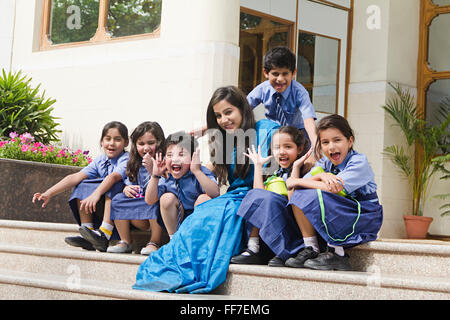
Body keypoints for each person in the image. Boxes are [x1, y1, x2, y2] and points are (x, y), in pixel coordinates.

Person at [133, 86, 279, 294]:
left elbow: (284, 151)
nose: (223, 119)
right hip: (233, 195)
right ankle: (181, 256)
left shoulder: (265, 129)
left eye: (228, 112)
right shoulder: (224, 139)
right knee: (203, 210)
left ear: (242, 109)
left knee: (216, 210)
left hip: (257, 190)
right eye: (218, 116)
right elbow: (211, 168)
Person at [285, 114, 383, 271]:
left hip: (364, 216)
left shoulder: (358, 162)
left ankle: (337, 254)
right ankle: (311, 248)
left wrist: (297, 181)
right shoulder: (325, 163)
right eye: (325, 142)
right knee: (300, 194)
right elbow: (293, 189)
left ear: (350, 141)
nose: (331, 147)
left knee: (322, 193)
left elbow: (334, 188)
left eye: (337, 140)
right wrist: (306, 171)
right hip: (344, 212)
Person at [32, 121, 129, 251]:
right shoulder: (100, 160)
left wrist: (96, 194)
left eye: (117, 139)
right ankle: (88, 232)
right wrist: (49, 192)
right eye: (108, 139)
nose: (111, 143)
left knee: (113, 183)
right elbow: (75, 177)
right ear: (101, 141)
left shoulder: (126, 158)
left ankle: (104, 234)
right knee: (82, 184)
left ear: (126, 143)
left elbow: (113, 177)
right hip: (104, 206)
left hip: (123, 209)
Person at [230, 126, 313, 266]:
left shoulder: (307, 169)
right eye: (276, 148)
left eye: (288, 146)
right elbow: (258, 195)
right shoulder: (276, 173)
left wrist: (297, 169)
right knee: (256, 196)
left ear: (299, 149)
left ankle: (288, 251)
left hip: (296, 226)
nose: (281, 152)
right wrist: (258, 166)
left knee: (267, 199)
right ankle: (253, 248)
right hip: (275, 222)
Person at [144, 131, 220, 239]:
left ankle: (199, 239)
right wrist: (155, 175)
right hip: (176, 219)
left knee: (204, 199)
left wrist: (196, 171)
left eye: (181, 154)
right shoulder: (166, 176)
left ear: (194, 156)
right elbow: (149, 200)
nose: (175, 159)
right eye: (170, 155)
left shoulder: (201, 171)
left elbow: (215, 193)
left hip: (199, 221)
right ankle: (174, 239)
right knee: (166, 198)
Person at [106, 121, 166, 255]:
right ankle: (125, 241)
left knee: (154, 200)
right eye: (141, 144)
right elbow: (130, 182)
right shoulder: (134, 162)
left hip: (156, 205)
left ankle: (154, 241)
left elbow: (165, 184)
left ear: (159, 142)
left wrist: (152, 169)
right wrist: (126, 189)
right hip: (139, 208)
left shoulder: (164, 160)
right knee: (117, 199)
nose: (146, 148)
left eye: (151, 143)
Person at [247, 46, 318, 152]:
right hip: (274, 133)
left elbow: (308, 120)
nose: (280, 79)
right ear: (266, 73)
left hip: (297, 133)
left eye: (285, 74)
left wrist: (316, 147)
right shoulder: (263, 89)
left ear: (293, 73)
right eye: (275, 74)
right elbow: (243, 109)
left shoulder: (299, 92)